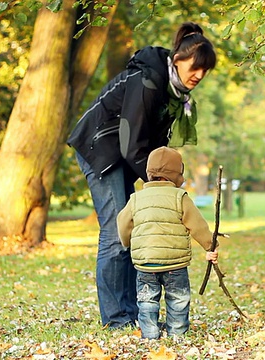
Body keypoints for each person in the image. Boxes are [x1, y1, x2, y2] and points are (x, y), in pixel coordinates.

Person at [66, 22, 216, 330]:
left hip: (125, 154)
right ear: (178, 59)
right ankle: (116, 318)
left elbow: (155, 144)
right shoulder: (149, 81)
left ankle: (132, 314)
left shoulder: (174, 93)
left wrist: (164, 181)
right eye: (196, 66)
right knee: (116, 231)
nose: (199, 75)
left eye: (205, 70)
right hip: (102, 150)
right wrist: (158, 185)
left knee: (136, 230)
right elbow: (131, 141)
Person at [116, 146, 218, 339]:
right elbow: (198, 225)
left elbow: (123, 223)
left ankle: (150, 335)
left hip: (146, 263)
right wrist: (210, 246)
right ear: (176, 174)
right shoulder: (180, 198)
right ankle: (177, 333)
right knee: (177, 299)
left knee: (147, 301)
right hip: (175, 264)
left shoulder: (136, 199)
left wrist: (127, 242)